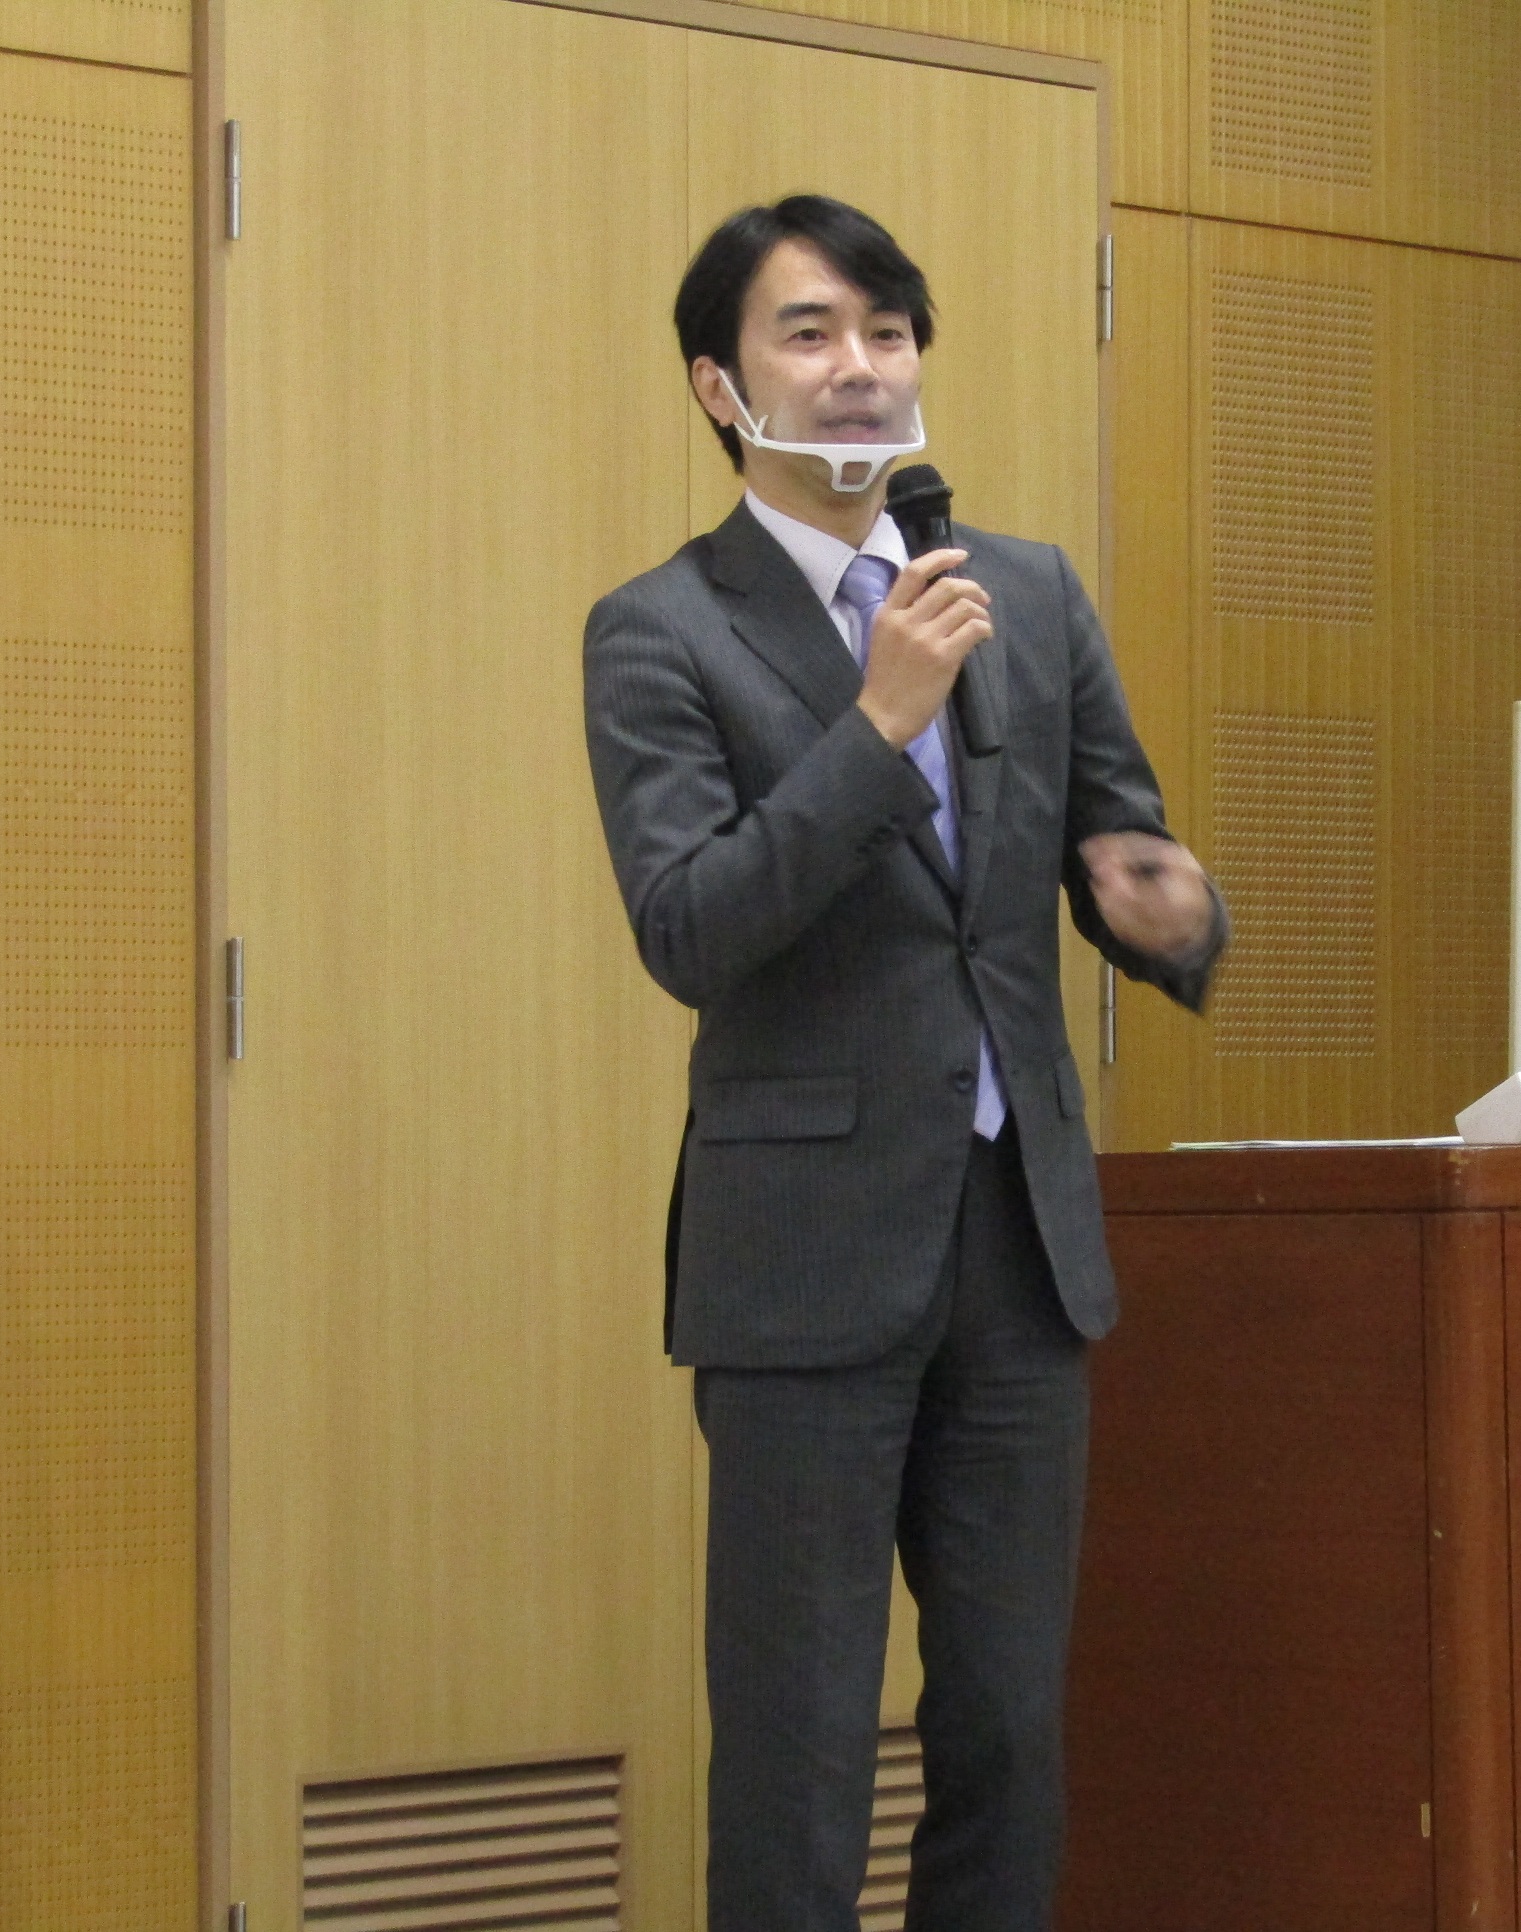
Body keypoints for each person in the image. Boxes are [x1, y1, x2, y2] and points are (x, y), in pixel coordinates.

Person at [582, 194, 1224, 1932]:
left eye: (886, 330)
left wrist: (1172, 915)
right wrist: (878, 724)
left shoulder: (1026, 591)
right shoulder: (662, 629)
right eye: (809, 334)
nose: (859, 367)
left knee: (1009, 1731)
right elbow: (690, 926)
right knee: (798, 1751)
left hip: (1019, 1243)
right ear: (721, 387)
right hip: (803, 1264)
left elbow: (1124, 839)